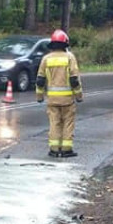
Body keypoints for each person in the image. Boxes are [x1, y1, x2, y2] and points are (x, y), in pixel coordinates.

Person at [35, 29, 83, 158]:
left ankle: (54, 149)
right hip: (67, 100)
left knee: (54, 123)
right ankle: (66, 149)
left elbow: (40, 80)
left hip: (52, 100)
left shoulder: (46, 59)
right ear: (65, 44)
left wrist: (39, 97)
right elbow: (74, 79)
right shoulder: (70, 58)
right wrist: (79, 96)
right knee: (68, 123)